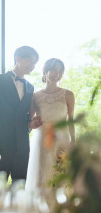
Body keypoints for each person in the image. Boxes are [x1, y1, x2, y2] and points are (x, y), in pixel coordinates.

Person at [0, 46, 42, 182]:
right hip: (1, 143)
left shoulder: (30, 87)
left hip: (22, 143)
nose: (32, 66)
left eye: (34, 64)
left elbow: (24, 116)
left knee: (20, 184)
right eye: (30, 61)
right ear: (18, 58)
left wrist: (31, 124)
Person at [25, 58, 75, 193]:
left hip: (61, 140)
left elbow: (71, 121)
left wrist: (73, 143)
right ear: (45, 71)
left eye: (60, 71)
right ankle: (40, 209)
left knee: (60, 173)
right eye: (54, 70)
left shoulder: (68, 94)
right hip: (42, 140)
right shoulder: (35, 96)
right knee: (42, 175)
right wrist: (33, 124)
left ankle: (61, 208)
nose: (57, 74)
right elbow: (30, 122)